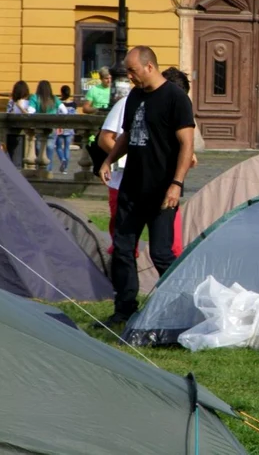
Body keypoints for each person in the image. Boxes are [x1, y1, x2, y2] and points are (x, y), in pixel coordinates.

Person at [97, 46, 195, 327]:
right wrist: (109, 159)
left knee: (161, 253)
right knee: (123, 248)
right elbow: (127, 133)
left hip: (162, 190)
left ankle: (181, 308)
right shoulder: (135, 96)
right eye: (128, 71)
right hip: (132, 187)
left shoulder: (175, 98)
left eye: (133, 71)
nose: (129, 76)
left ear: (149, 66)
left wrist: (176, 184)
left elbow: (186, 144)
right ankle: (124, 309)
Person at [98, 67, 195, 258]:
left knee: (167, 249)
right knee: (124, 247)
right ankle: (118, 284)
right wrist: (132, 157)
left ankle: (169, 286)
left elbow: (179, 143)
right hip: (123, 184)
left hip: (160, 187)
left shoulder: (177, 106)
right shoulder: (129, 102)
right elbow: (106, 138)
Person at [29, 80, 68, 172]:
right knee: (50, 149)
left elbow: (30, 111)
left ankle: (40, 169)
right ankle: (48, 171)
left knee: (39, 148)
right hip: (52, 128)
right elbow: (64, 111)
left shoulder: (35, 97)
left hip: (39, 127)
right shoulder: (54, 98)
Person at [6, 80, 34, 167]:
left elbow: (8, 114)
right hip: (26, 130)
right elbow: (30, 116)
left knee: (12, 154)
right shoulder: (30, 102)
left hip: (12, 130)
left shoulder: (11, 102)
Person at [55, 85, 77, 174]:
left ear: (61, 92)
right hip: (70, 128)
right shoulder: (73, 104)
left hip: (60, 127)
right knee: (67, 148)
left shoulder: (58, 103)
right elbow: (75, 115)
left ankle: (62, 159)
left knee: (59, 147)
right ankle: (66, 169)